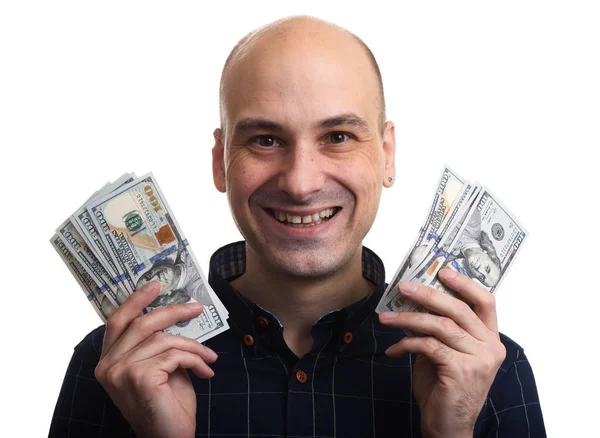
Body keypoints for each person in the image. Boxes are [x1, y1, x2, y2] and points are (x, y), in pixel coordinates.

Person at [49, 16, 545, 437]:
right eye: (265, 139)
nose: (302, 183)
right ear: (221, 161)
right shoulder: (115, 366)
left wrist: (452, 433)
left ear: (387, 154)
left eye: (338, 135)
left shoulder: (489, 368)